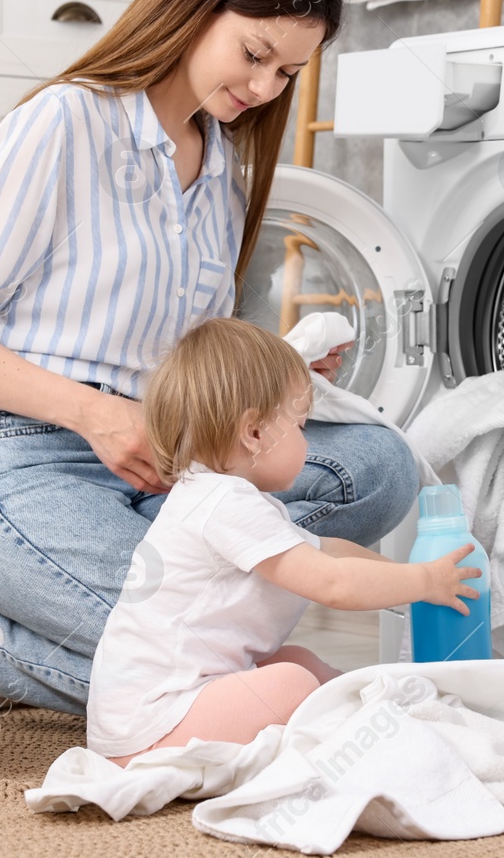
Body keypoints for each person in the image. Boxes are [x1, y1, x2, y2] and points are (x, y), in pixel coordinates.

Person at [0, 0, 421, 715]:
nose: (263, 88)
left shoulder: (223, 175)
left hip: (177, 469)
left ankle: (188, 631)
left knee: (379, 465)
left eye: (287, 73)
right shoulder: (67, 123)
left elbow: (187, 360)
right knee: (179, 644)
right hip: (32, 465)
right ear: (198, 2)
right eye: (255, 54)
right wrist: (99, 416)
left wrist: (273, 379)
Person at [89, 318, 480, 766]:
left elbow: (328, 550)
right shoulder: (224, 505)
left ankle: (369, 710)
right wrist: (424, 582)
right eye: (298, 425)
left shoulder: (224, 496)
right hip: (152, 727)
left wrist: (405, 578)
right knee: (293, 683)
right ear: (254, 433)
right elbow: (332, 583)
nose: (306, 439)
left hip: (163, 712)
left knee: (298, 661)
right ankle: (361, 726)